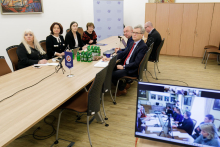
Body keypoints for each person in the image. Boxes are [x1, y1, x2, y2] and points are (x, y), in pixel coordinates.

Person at [103, 25, 148, 96]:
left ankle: (121, 88)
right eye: (133, 32)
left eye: (137, 33)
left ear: (142, 35)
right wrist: (111, 58)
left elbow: (136, 63)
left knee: (110, 74)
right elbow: (124, 53)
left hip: (131, 69)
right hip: (126, 64)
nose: (134, 34)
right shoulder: (132, 43)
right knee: (109, 68)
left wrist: (123, 67)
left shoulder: (143, 47)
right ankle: (123, 85)